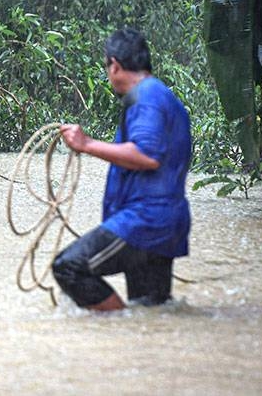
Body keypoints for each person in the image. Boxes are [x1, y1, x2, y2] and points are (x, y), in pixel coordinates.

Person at [54, 27, 192, 310]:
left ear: (114, 65)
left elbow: (146, 155)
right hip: (165, 221)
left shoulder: (146, 97)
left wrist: (86, 144)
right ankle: (134, 343)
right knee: (151, 309)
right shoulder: (161, 95)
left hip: (143, 222)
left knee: (69, 267)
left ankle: (119, 326)